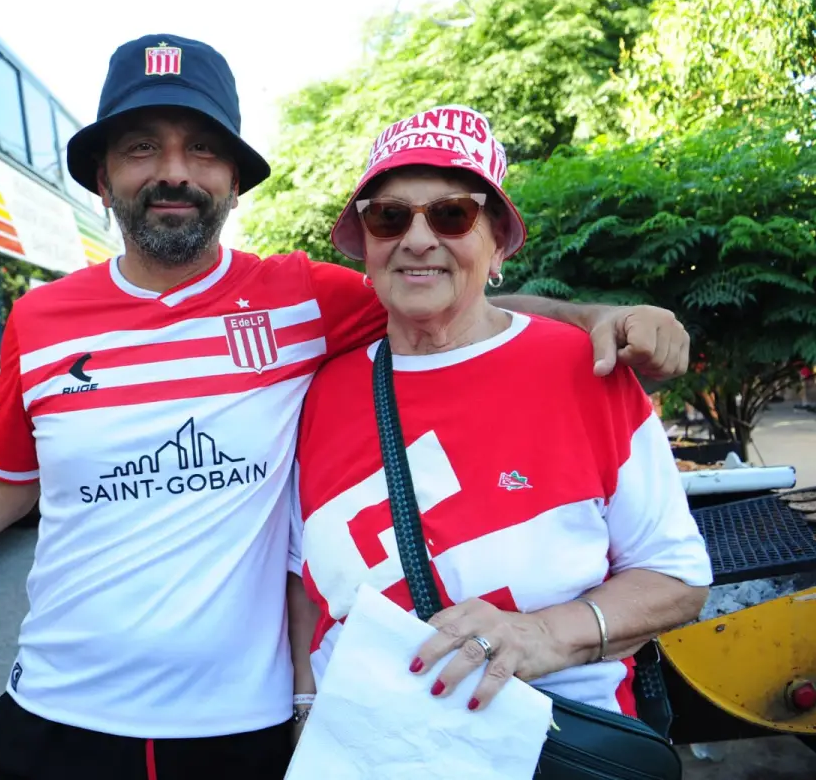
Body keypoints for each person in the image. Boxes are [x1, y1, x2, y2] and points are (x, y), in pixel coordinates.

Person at [0, 38, 692, 780]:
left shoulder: (309, 299)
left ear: (235, 177)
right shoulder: (42, 317)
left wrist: (600, 315)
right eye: (142, 146)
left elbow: (450, 292)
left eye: (201, 149)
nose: (174, 171)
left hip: (239, 737)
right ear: (104, 175)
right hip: (52, 722)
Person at [287, 106, 712, 746]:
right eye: (390, 216)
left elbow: (676, 578)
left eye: (452, 214)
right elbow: (303, 578)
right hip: (362, 752)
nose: (418, 239)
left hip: (545, 745)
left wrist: (541, 634)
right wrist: (304, 703)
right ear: (367, 247)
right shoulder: (319, 389)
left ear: (499, 244)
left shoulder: (581, 369)